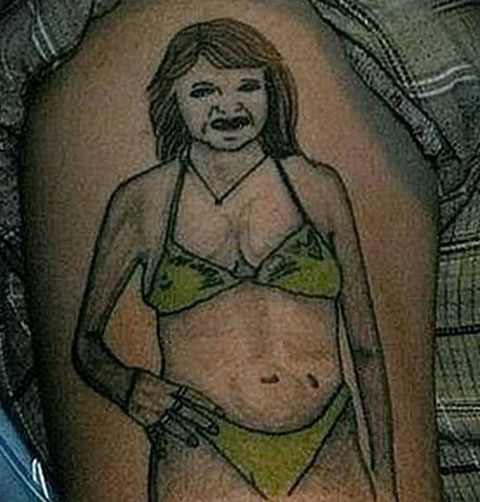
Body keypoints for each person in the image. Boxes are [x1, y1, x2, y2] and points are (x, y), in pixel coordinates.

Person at [72, 18, 397, 502]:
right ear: (172, 99)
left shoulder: (317, 188)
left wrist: (386, 476)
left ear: (272, 92)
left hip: (330, 440)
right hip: (201, 447)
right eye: (204, 91)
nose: (229, 106)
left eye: (248, 86)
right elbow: (85, 344)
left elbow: (366, 345)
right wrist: (127, 386)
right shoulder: (143, 202)